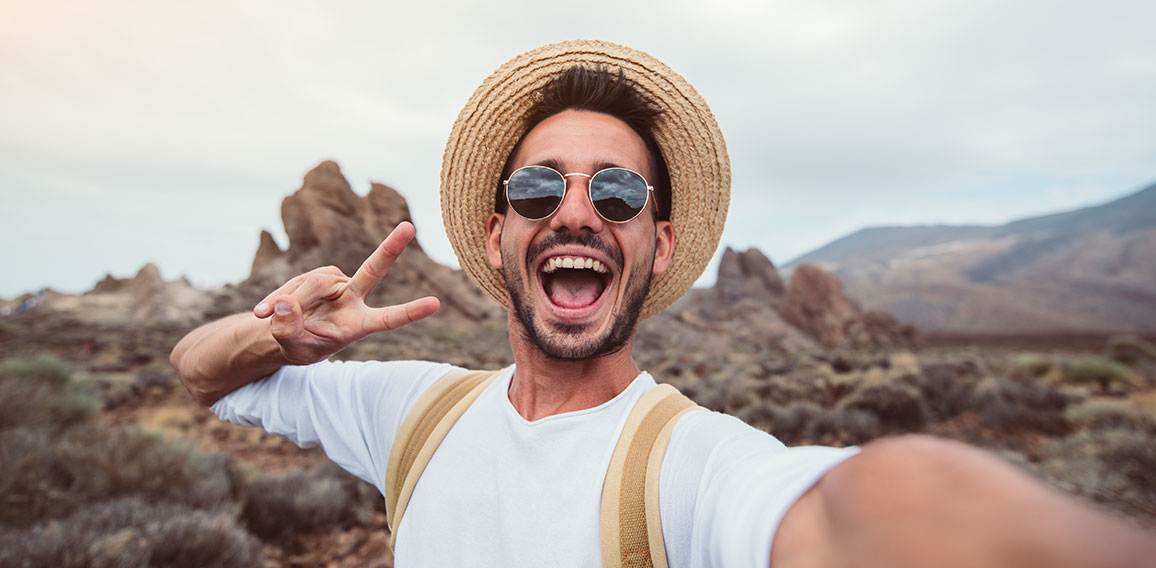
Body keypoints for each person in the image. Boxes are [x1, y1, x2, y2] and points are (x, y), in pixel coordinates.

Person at [171, 40, 1154, 567]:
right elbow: (196, 371)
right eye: (535, 189)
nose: (575, 211)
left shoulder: (693, 467)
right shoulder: (412, 410)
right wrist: (273, 337)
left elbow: (870, 511)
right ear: (493, 235)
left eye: (617, 192)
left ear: (659, 241)